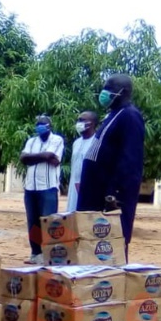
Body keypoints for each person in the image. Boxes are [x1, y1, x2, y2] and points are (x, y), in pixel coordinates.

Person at [78, 74, 146, 262]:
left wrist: (115, 193)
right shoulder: (114, 115)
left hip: (109, 197)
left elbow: (130, 160)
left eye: (108, 88)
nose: (104, 93)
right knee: (93, 244)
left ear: (122, 92)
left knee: (111, 245)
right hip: (94, 194)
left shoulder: (130, 116)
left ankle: (113, 285)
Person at [20, 115, 64, 264]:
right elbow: (23, 159)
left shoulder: (57, 140)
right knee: (33, 222)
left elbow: (53, 159)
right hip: (30, 187)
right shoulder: (31, 141)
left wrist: (32, 158)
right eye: (38, 123)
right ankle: (36, 254)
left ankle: (49, 255)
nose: (40, 126)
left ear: (49, 126)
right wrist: (44, 156)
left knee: (48, 222)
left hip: (48, 187)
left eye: (43, 124)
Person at [65, 111, 98, 213]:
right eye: (78, 120)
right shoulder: (76, 143)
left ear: (92, 123)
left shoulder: (97, 142)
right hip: (73, 187)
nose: (78, 123)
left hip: (88, 188)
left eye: (82, 120)